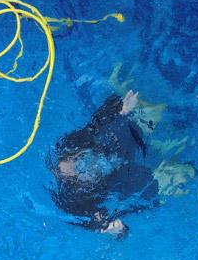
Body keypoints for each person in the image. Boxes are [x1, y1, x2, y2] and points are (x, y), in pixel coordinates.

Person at [47, 89, 160, 239]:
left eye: (75, 159)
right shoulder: (77, 199)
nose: (79, 165)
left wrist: (121, 110)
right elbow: (102, 225)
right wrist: (116, 230)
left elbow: (95, 125)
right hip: (134, 148)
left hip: (123, 132)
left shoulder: (75, 144)